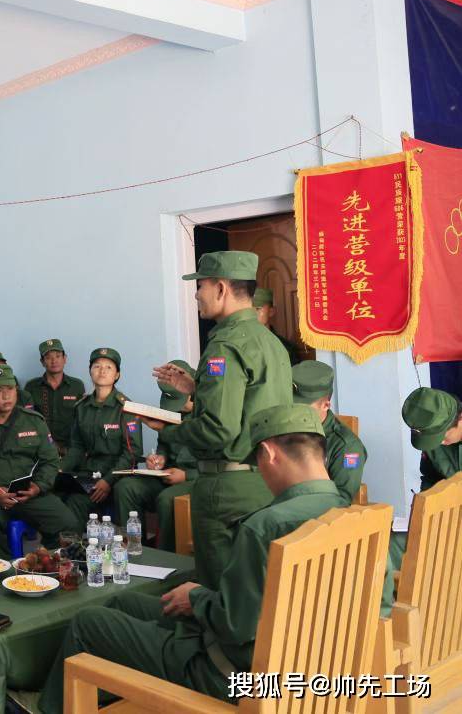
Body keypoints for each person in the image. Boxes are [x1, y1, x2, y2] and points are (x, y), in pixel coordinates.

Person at [28, 404, 347, 714]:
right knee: (122, 605)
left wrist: (197, 598)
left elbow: (237, 627)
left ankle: (51, 708)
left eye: (257, 463)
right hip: (313, 669)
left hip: (232, 674)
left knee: (88, 622)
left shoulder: (265, 526)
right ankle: (110, 693)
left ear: (269, 454)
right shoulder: (350, 517)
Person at [153, 251, 290, 588]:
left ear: (221, 288)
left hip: (227, 491)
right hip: (269, 480)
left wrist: (169, 430)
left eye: (200, 286)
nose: (197, 294)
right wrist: (197, 388)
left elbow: (219, 430)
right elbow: (250, 403)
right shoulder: (269, 342)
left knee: (220, 589)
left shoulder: (223, 347)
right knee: (256, 585)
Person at [0, 364, 80, 558]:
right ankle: (3, 575)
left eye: (10, 389)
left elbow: (51, 461)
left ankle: (46, 567)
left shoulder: (33, 421)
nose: (6, 396)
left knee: (67, 523)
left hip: (29, 493)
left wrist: (38, 487)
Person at [382, 387, 462, 612]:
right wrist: (422, 513)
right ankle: (393, 614)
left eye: (443, 437)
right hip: (445, 518)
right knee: (392, 542)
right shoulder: (435, 444)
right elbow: (430, 478)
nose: (441, 444)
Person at [114, 361, 199, 552]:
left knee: (167, 499)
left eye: (180, 403)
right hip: (168, 475)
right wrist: (159, 459)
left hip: (197, 479)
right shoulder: (172, 413)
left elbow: (222, 466)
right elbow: (164, 446)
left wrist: (187, 476)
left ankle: (164, 559)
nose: (176, 409)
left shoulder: (212, 419)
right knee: (125, 487)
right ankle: (133, 549)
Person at [59, 348, 142, 522]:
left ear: (117, 375)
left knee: (122, 496)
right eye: (97, 366)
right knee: (71, 502)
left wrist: (108, 480)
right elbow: (77, 447)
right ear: (90, 371)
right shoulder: (81, 407)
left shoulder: (127, 408)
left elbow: (132, 452)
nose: (102, 371)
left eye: (109, 367)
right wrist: (60, 469)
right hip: (90, 475)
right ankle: (74, 547)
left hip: (119, 477)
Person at [291, 360, 366, 505]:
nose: (294, 413)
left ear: (326, 405)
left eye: (303, 408)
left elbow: (340, 501)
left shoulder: (347, 447)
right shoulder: (283, 428)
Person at [23, 339, 85, 456]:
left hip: (70, 449)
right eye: (48, 357)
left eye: (58, 356)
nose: (54, 361)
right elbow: (28, 420)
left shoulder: (77, 386)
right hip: (41, 448)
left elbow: (81, 420)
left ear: (65, 358)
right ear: (42, 361)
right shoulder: (32, 387)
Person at [253, 287, 301, 366]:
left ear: (271, 311)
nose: (252, 314)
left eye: (258, 309)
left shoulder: (285, 347)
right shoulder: (238, 343)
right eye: (249, 310)